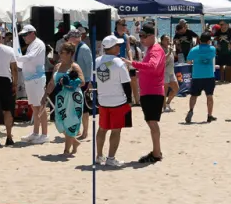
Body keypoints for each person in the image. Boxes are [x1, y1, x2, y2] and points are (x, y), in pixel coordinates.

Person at [129, 23, 167, 162]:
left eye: (144, 36)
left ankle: (157, 153)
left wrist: (132, 63)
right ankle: (156, 151)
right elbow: (151, 70)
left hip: (153, 92)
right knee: (151, 122)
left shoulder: (155, 50)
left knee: (152, 123)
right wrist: (139, 74)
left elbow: (152, 66)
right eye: (140, 36)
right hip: (149, 91)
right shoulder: (151, 49)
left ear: (152, 36)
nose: (141, 39)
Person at [92, 35, 131, 166]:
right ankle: (111, 158)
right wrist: (130, 101)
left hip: (102, 100)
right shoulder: (119, 63)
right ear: (112, 47)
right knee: (116, 130)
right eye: (118, 45)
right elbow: (126, 84)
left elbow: (94, 81)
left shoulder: (97, 61)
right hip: (118, 101)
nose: (119, 47)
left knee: (102, 128)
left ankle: (99, 156)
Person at [46, 42, 85, 159]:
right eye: (59, 52)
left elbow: (82, 82)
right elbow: (52, 82)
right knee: (59, 122)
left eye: (62, 52)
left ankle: (66, 150)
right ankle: (75, 141)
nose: (59, 54)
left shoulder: (74, 66)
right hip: (61, 97)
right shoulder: (57, 66)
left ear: (70, 54)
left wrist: (70, 82)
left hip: (73, 97)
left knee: (70, 122)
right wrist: (45, 95)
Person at [16, 23, 50, 145]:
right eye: (23, 35)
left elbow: (30, 57)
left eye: (25, 35)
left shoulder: (38, 44)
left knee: (40, 107)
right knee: (34, 107)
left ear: (32, 33)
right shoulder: (32, 45)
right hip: (30, 79)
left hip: (37, 79)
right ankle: (36, 133)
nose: (24, 37)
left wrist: (16, 57)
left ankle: (44, 134)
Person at [185, 30, 217, 123]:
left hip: (197, 75)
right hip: (209, 75)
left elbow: (188, 62)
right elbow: (213, 56)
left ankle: (191, 110)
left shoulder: (194, 49)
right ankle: (209, 115)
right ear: (208, 41)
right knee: (209, 96)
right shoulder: (212, 49)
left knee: (194, 95)